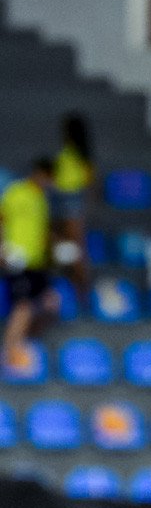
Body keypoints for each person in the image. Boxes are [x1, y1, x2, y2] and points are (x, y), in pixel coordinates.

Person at [1, 158, 58, 368]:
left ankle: (25, 342)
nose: (48, 183)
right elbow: (2, 219)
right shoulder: (16, 192)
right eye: (47, 178)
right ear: (38, 173)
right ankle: (9, 353)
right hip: (17, 259)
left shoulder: (41, 199)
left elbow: (42, 231)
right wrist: (2, 249)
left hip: (38, 263)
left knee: (52, 303)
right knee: (23, 307)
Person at [52, 113, 94, 296]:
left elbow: (87, 179)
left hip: (71, 198)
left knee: (76, 245)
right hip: (61, 198)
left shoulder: (80, 154)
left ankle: (81, 287)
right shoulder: (69, 151)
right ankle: (72, 284)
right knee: (65, 244)